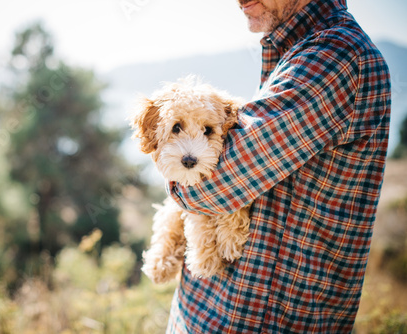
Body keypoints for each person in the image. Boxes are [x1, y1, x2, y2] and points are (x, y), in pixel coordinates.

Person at [165, 0, 391, 333]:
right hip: (212, 311)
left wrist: (170, 168)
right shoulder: (296, 53)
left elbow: (209, 183)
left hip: (255, 321)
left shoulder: (335, 57)